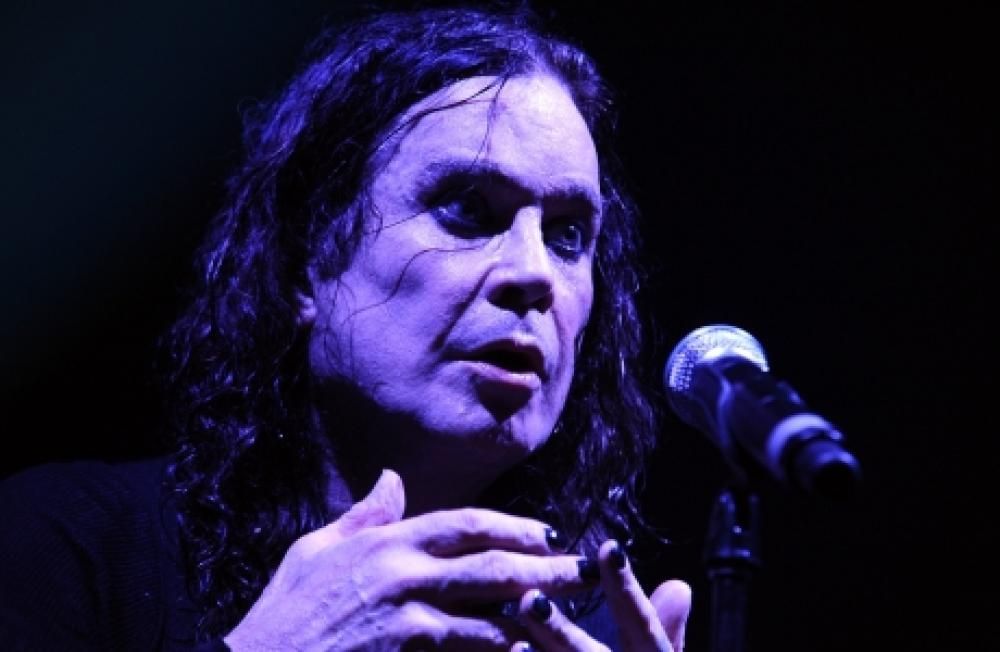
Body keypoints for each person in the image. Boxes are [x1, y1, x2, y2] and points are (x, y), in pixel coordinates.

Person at [0, 3, 692, 650]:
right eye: (468, 209)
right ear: (305, 261)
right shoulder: (69, 545)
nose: (535, 273)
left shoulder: (594, 629)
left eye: (568, 235)